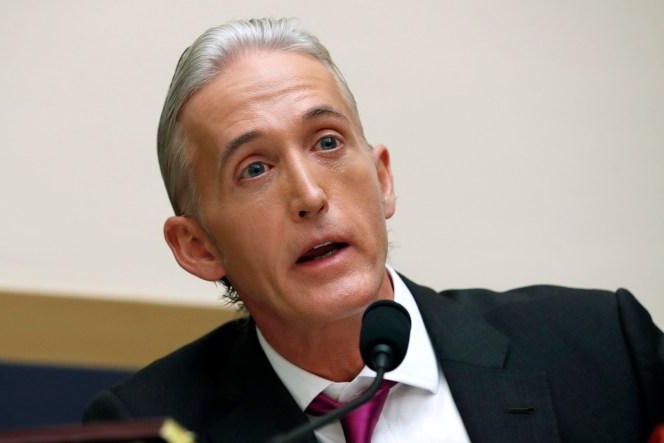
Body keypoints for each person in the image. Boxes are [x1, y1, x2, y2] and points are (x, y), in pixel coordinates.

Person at [83, 18, 664, 442]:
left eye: (327, 142)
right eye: (255, 169)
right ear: (198, 247)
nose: (309, 196)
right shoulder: (148, 427)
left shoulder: (603, 348)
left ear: (382, 179)